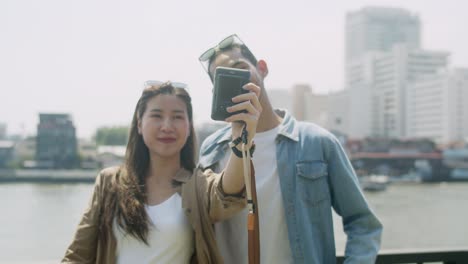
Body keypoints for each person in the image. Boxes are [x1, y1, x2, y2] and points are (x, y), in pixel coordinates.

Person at [198, 34, 383, 264]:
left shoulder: (317, 142)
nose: (236, 82)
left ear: (262, 68)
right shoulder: (211, 149)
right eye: (223, 78)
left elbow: (363, 223)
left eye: (241, 69)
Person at [62, 80, 262, 263]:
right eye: (157, 116)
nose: (167, 126)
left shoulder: (197, 185)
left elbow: (229, 193)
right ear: (139, 124)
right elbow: (77, 256)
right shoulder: (109, 182)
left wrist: (240, 140)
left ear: (188, 126)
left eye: (177, 117)